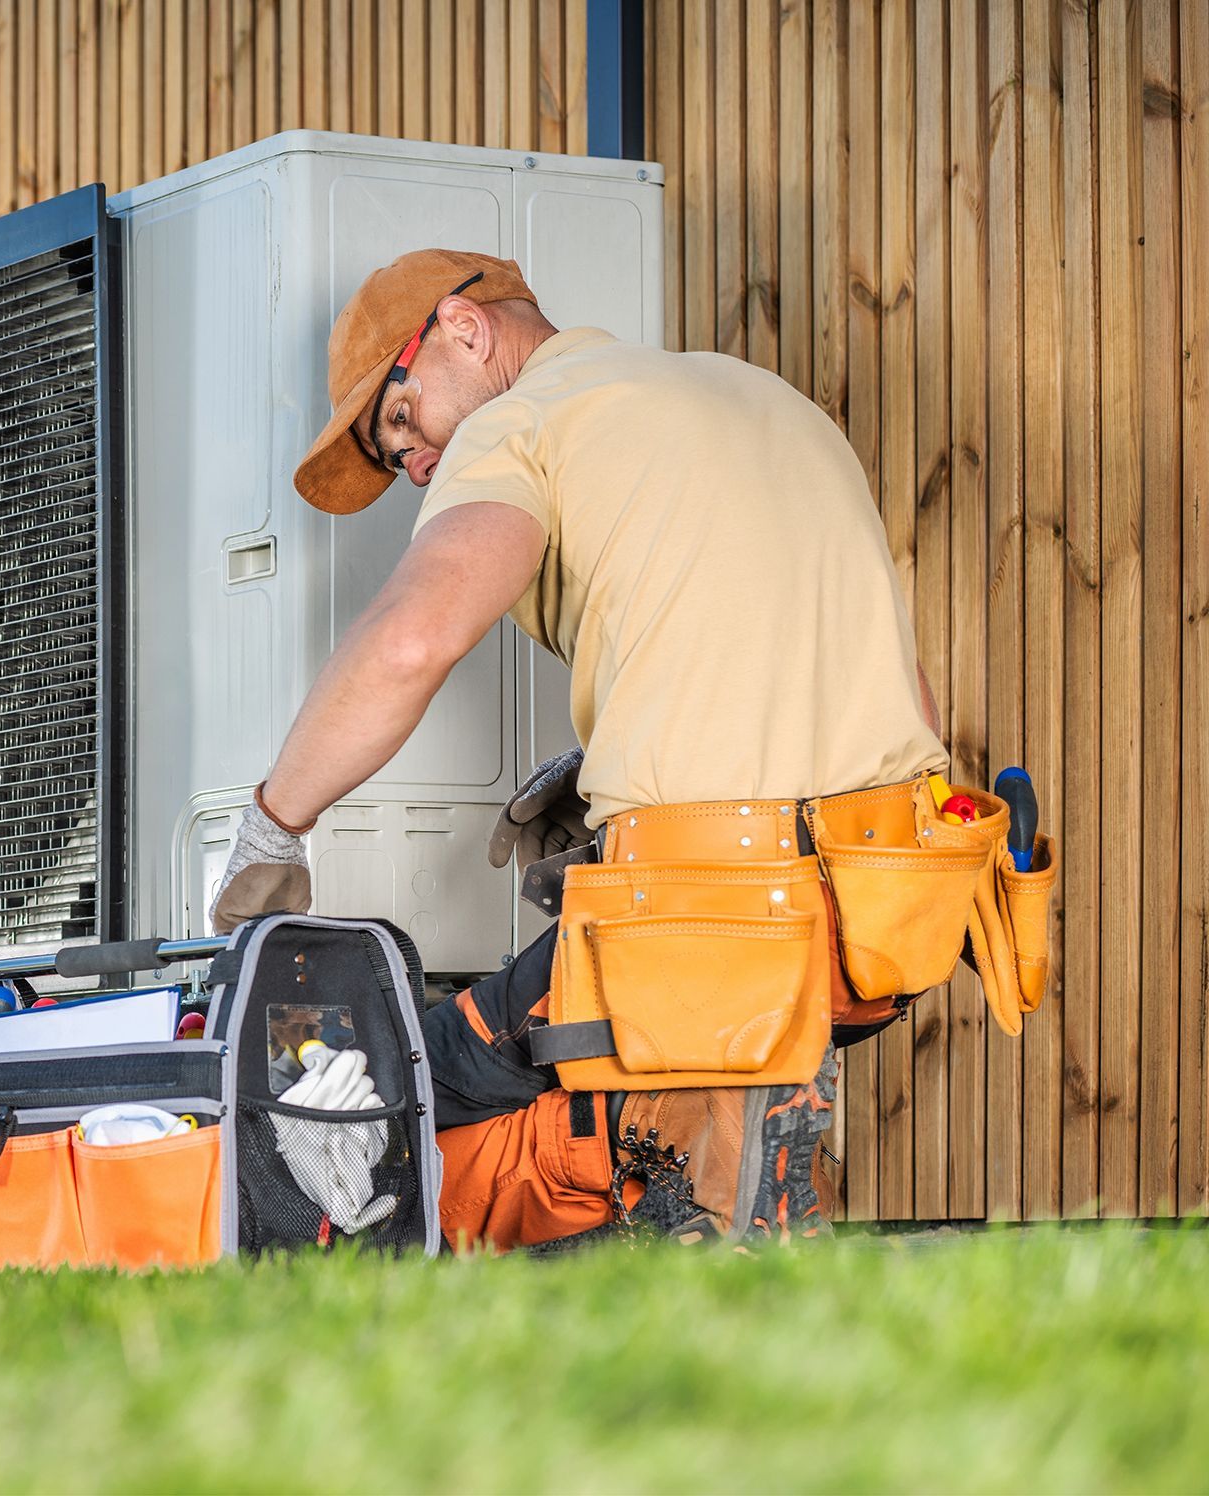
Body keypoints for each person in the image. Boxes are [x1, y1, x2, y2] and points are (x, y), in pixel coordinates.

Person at [208, 249, 952, 1249]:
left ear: (463, 331)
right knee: (618, 1070)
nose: (418, 465)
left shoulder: (524, 421)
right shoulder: (766, 400)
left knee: (400, 1069)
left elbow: (411, 639)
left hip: (706, 917)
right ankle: (724, 1164)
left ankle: (684, 1194)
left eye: (401, 422)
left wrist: (273, 825)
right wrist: (628, 766)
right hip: (879, 917)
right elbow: (905, 695)